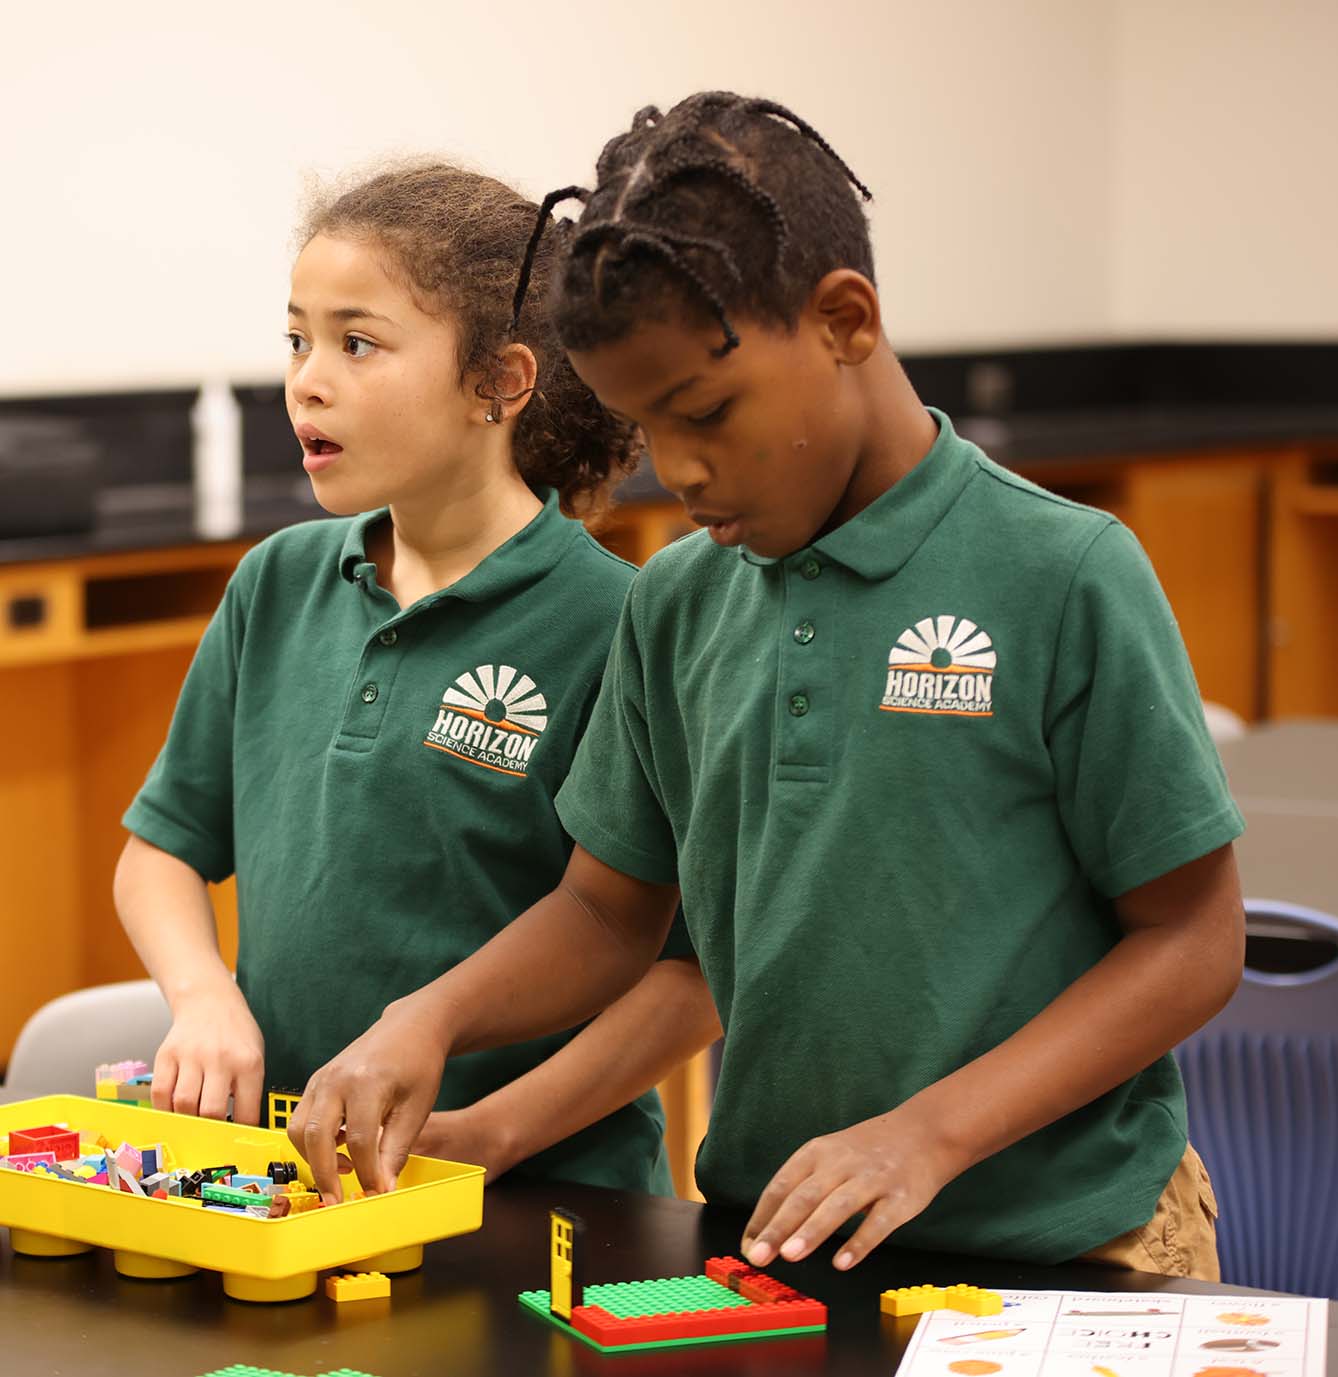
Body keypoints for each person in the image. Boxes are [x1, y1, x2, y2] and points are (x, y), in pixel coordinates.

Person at [290, 96, 1244, 1278]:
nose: (677, 470)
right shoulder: (677, 603)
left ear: (844, 321)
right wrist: (426, 1022)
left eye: (706, 414)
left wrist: (925, 1138)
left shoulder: (1062, 573)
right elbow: (606, 915)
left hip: (1075, 1251)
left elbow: (1192, 941)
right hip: (783, 1250)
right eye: (645, 428)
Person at [114, 162, 719, 1197]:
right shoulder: (278, 582)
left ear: (500, 383)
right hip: (302, 1189)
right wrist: (202, 994)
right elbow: (160, 851)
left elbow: (689, 976)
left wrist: (489, 1134)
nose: (307, 378)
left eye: (359, 343)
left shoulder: (622, 624)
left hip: (543, 1197)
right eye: (297, 339)